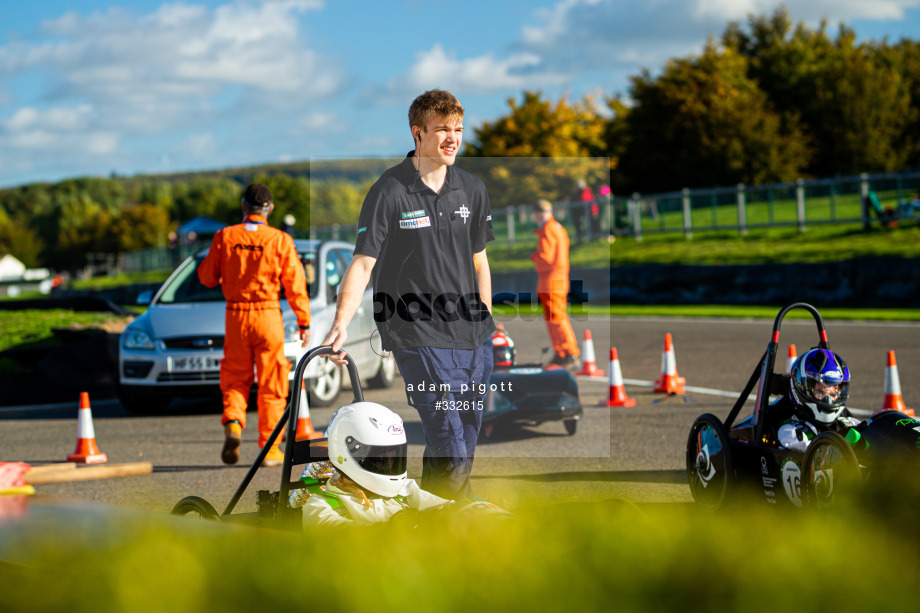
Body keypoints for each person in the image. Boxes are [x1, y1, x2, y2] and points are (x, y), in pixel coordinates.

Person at [320, 89, 496, 500]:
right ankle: (450, 522)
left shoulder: (472, 189)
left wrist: (487, 320)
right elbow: (363, 263)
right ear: (418, 133)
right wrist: (339, 326)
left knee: (464, 438)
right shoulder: (390, 190)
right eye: (442, 131)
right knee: (447, 434)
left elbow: (480, 260)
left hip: (471, 335)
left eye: (458, 130)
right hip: (414, 332)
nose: (453, 139)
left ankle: (431, 520)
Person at [198, 184, 312, 467]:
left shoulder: (224, 236)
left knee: (235, 377)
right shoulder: (281, 240)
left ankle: (234, 423)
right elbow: (295, 285)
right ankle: (271, 450)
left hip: (236, 316)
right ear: (270, 209)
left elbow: (206, 278)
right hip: (268, 316)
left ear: (243, 206)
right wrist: (303, 321)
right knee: (272, 383)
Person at [289, 402, 509, 526]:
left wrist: (483, 512)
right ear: (346, 454)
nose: (388, 464)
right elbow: (348, 540)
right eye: (380, 458)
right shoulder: (321, 507)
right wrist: (402, 528)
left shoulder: (404, 490)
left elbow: (447, 507)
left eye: (394, 456)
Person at [773, 348, 860, 453]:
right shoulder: (791, 432)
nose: (828, 400)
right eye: (820, 392)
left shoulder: (848, 422)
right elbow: (820, 456)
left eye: (833, 394)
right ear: (801, 389)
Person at [530, 200, 581, 371]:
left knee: (556, 317)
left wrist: (534, 257)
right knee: (557, 316)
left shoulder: (547, 229)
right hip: (558, 277)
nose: (540, 215)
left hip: (551, 278)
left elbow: (545, 258)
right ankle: (562, 353)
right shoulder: (558, 228)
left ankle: (568, 353)